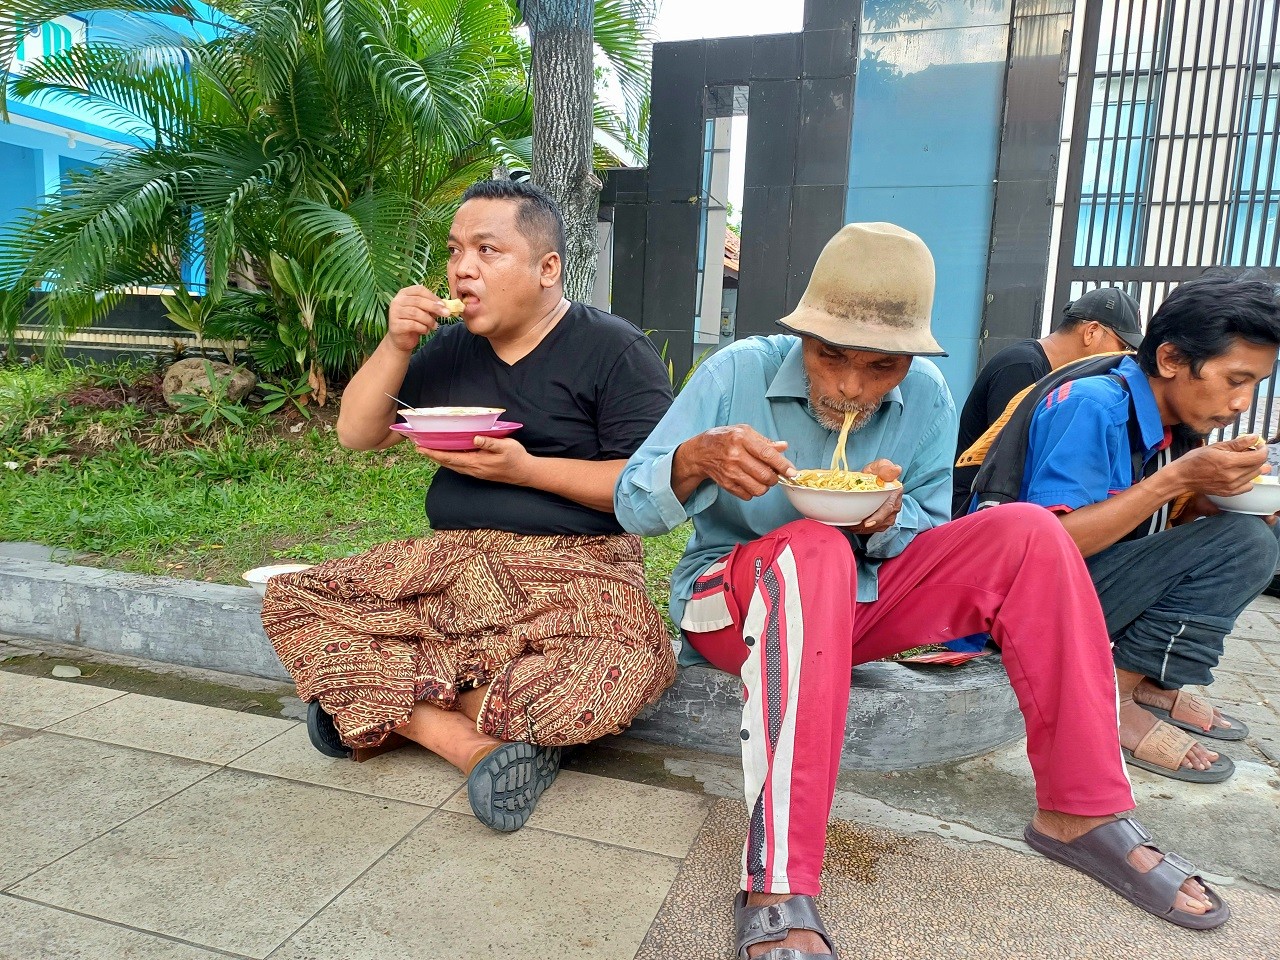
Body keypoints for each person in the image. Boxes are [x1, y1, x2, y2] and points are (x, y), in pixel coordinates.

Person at [615, 222, 1229, 957]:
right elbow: (632, 504)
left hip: (853, 604)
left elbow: (928, 534)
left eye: (881, 366)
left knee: (1029, 532)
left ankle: (1082, 811)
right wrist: (693, 459)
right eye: (829, 355)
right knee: (812, 547)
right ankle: (778, 877)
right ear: (800, 336)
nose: (849, 386)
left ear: (910, 360)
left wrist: (887, 521)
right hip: (730, 604)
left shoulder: (929, 397)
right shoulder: (737, 373)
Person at [261, 178, 677, 832]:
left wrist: (530, 470)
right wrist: (397, 344)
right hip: (452, 566)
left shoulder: (614, 350)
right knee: (294, 597)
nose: (462, 269)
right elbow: (357, 433)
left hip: (579, 572)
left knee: (624, 668)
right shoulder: (448, 349)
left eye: (488, 250)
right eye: (456, 251)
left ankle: (386, 709)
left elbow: (644, 483)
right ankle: (472, 744)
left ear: (547, 269)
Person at [999, 271, 1280, 783]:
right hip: (1022, 601)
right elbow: (1045, 545)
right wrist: (1176, 480)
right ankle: (1112, 696)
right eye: (1236, 380)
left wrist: (1208, 507)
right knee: (1245, 545)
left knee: (1248, 535)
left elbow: (1150, 532)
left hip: (1085, 591)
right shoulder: (1093, 406)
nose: (1242, 403)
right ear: (1171, 359)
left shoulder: (1178, 427)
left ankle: (1155, 680)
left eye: (1256, 385)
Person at [951, 287, 1143, 517]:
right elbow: (1007, 461)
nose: (1122, 357)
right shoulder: (1022, 367)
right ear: (1091, 332)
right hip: (975, 513)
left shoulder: (1056, 376)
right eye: (1122, 346)